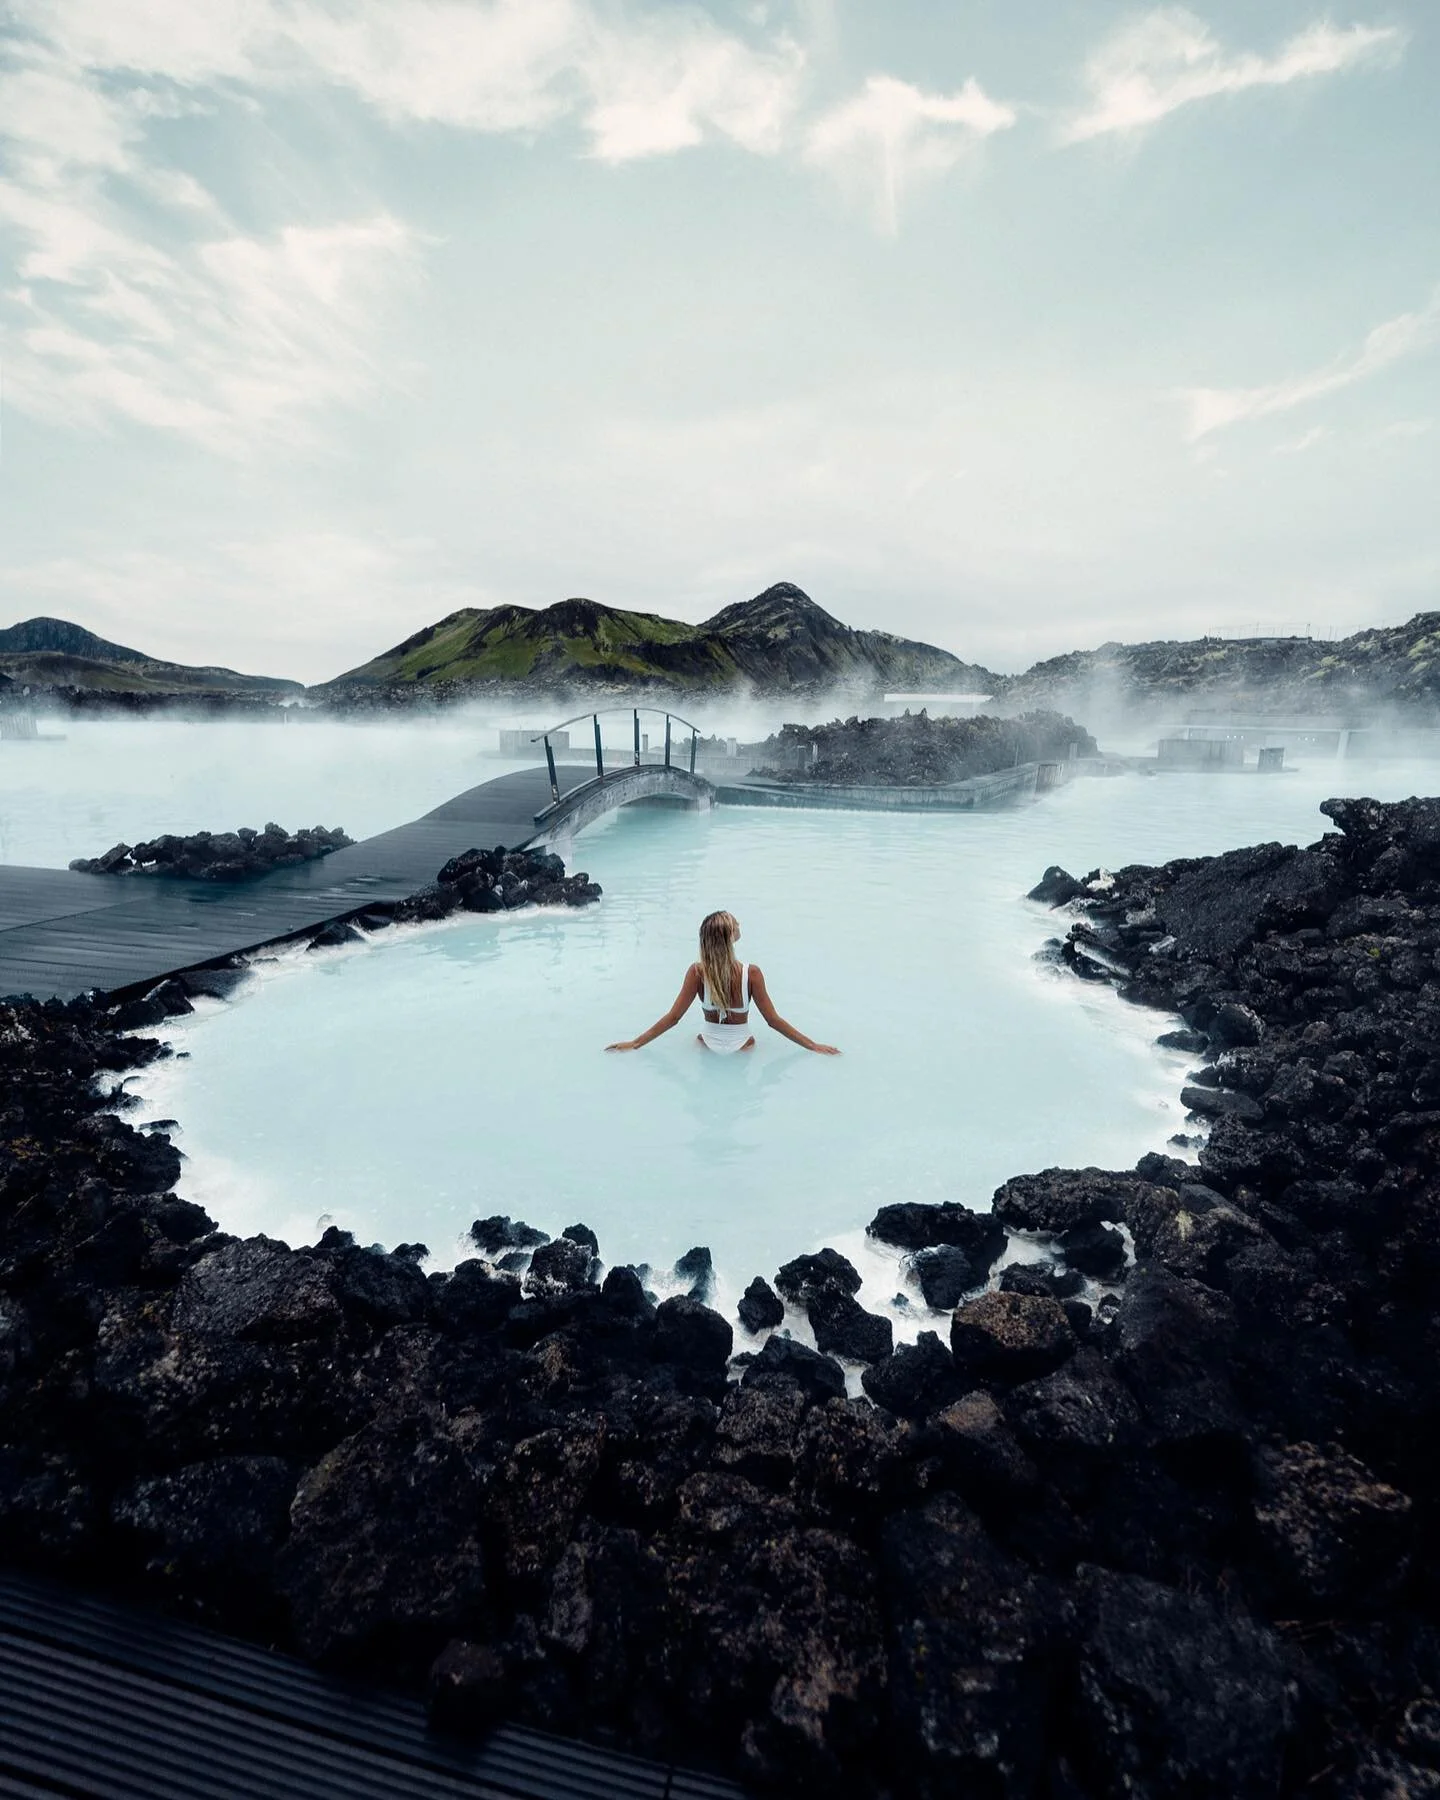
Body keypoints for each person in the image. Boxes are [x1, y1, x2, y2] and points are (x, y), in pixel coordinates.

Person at [606, 910, 840, 1055]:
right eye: (735, 923)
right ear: (730, 937)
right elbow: (773, 1021)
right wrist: (812, 1045)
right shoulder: (752, 973)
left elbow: (673, 1018)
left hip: (706, 1044)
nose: (739, 924)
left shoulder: (697, 972)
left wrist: (636, 1043)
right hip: (743, 1047)